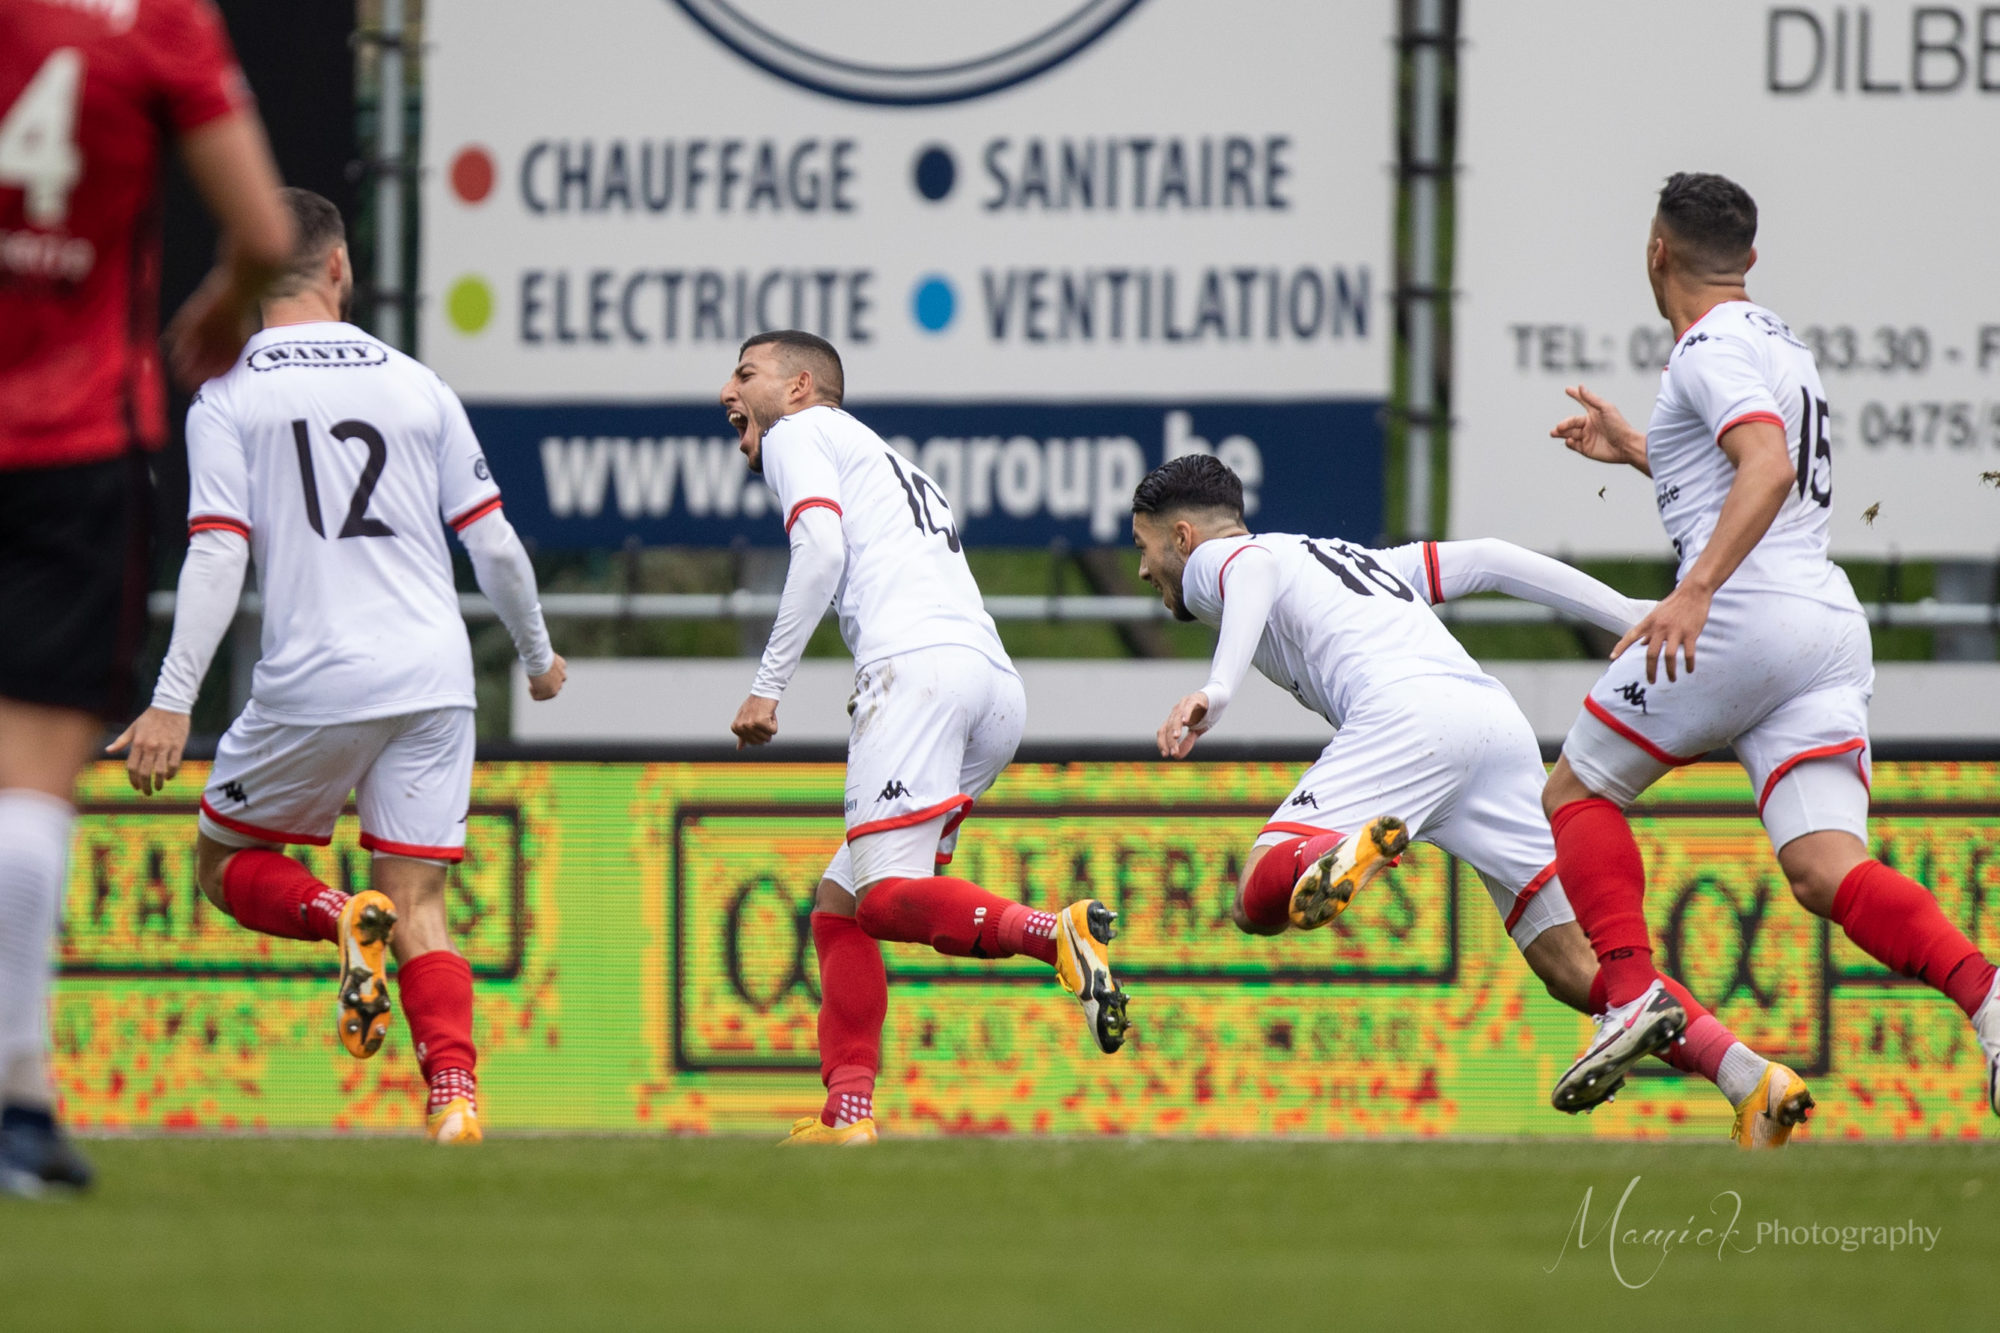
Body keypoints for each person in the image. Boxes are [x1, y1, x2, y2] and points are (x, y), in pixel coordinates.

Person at [1135, 454, 1809, 1145]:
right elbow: (1491, 559)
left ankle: (1336, 852)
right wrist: (1633, 611)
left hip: (1406, 722)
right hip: (1492, 726)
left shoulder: (1223, 562)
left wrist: (1218, 690)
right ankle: (1749, 1077)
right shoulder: (1346, 559)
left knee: (1256, 895)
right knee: (1572, 966)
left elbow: (1244, 571)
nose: (1142, 568)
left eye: (1143, 545)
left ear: (1182, 536)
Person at [108, 189, 566, 1144]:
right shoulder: (417, 385)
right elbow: (496, 546)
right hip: (434, 674)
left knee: (223, 856)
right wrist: (536, 655)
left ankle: (333, 915)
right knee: (422, 902)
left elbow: (217, 553)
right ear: (340, 267)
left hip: (317, 674)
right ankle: (454, 1097)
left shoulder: (229, 399)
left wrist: (170, 701)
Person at [1541, 171, 2000, 1117]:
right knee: (1826, 869)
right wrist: (1642, 449)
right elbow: (1750, 462)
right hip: (1823, 625)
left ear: (1656, 252)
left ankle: (1626, 992)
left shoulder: (1704, 350)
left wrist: (1695, 590)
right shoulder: (1777, 339)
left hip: (1744, 612)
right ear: (1748, 259)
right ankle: (1989, 998)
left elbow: (1768, 462)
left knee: (1576, 788)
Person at [1, 0, 294, 1194]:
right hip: (74, 448)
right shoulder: (155, 20)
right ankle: (19, 1102)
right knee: (30, 784)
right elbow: (264, 228)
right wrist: (223, 308)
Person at [721, 330, 1128, 1145]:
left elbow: (821, 548)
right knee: (845, 907)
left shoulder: (805, 432)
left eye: (745, 373)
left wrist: (769, 685)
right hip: (990, 684)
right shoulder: (890, 462)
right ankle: (849, 1113)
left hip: (916, 674)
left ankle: (1056, 933)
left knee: (887, 897)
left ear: (801, 387)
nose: (727, 392)